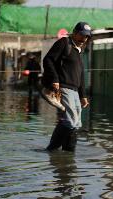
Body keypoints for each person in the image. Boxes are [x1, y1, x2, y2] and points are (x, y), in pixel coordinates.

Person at [42, 21, 90, 152]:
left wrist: (83, 96)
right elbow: (48, 60)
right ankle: (51, 149)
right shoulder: (64, 43)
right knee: (70, 121)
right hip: (64, 87)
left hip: (75, 91)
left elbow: (80, 76)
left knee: (76, 123)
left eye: (86, 36)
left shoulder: (79, 51)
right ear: (74, 33)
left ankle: (68, 152)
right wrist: (55, 79)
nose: (84, 38)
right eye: (81, 35)